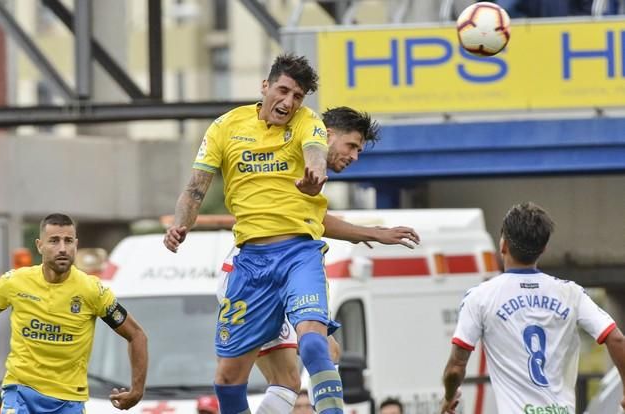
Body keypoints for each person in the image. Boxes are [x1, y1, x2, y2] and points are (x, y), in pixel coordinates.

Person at [165, 53, 344, 414]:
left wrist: (314, 176)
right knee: (228, 380)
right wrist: (180, 223)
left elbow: (315, 155)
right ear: (265, 86)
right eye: (283, 91)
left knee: (314, 345)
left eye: (298, 96)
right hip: (250, 264)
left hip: (299, 254)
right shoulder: (225, 126)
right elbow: (196, 187)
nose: (289, 102)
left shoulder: (309, 123)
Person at [215, 106, 420, 414]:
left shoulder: (304, 162)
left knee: (321, 353)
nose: (354, 157)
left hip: (281, 269)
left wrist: (372, 233)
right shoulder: (290, 153)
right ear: (328, 134)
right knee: (278, 370)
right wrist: (372, 233)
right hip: (254, 274)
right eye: (352, 146)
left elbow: (310, 217)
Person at [0, 213, 148, 413]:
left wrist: (137, 391)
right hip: (21, 392)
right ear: (39, 245)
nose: (62, 248)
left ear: (76, 244)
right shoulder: (15, 282)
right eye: (54, 241)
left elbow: (137, 335)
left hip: (69, 399)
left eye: (68, 241)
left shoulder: (92, 290)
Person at [440, 202, 625, 413]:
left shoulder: (480, 297)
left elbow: (455, 368)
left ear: (503, 245)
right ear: (544, 249)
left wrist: (448, 397)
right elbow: (616, 338)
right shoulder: (571, 293)